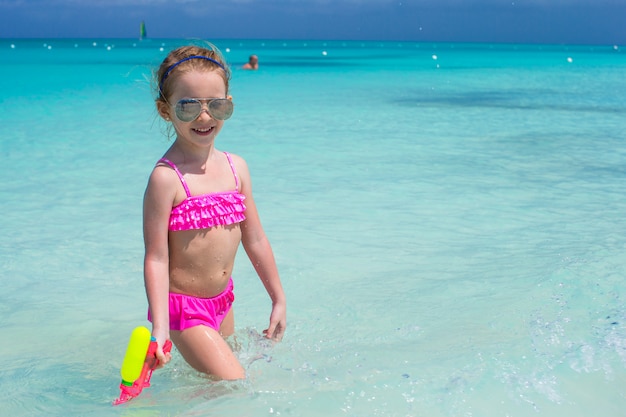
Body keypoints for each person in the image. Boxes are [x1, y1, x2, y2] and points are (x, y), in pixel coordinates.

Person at [143, 44, 286, 380]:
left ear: (229, 104)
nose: (204, 117)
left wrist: (278, 298)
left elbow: (255, 239)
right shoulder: (167, 178)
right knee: (234, 383)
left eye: (216, 105)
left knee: (214, 390)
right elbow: (156, 259)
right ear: (165, 110)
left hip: (223, 303)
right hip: (184, 311)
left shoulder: (238, 169)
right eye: (189, 106)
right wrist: (160, 330)